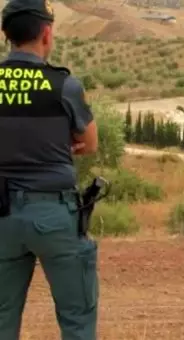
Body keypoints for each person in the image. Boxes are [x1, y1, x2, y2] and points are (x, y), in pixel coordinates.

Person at [0, 0, 99, 339]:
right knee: (76, 318)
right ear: (46, 33)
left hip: (2, 215)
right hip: (55, 214)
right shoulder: (64, 85)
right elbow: (90, 143)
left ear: (6, 35)